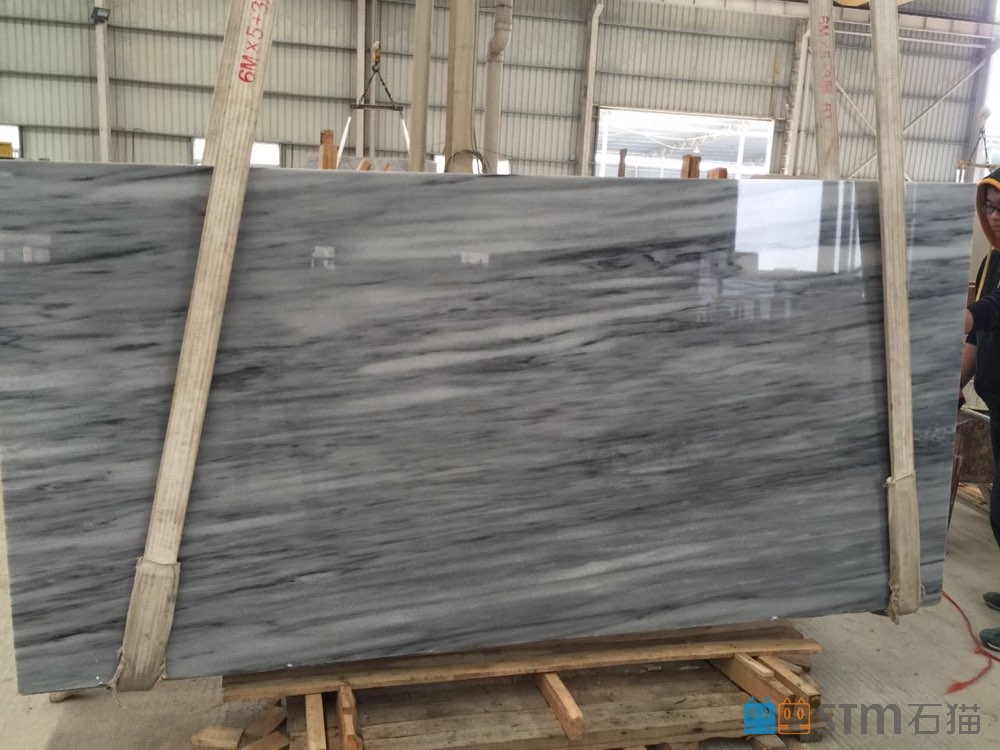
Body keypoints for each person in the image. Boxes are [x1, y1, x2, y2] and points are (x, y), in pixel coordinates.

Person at [961, 167, 1000, 652]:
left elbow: (992, 309)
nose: (994, 217)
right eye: (989, 208)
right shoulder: (994, 258)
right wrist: (954, 386)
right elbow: (977, 336)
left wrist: (969, 314)